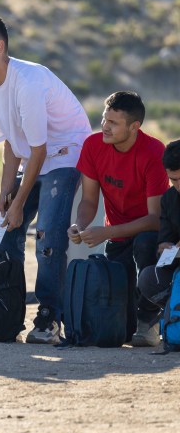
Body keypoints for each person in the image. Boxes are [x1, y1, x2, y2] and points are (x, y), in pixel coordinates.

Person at [0, 15, 90, 345]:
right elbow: (10, 144)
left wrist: (19, 202)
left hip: (65, 154)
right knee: (7, 230)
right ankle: (9, 311)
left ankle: (49, 318)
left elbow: (39, 150)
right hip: (35, 157)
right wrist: (7, 193)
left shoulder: (29, 82)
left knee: (47, 234)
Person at [69, 92, 169, 346]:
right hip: (117, 236)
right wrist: (80, 225)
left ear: (135, 127)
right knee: (121, 333)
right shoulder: (93, 145)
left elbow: (155, 219)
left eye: (113, 123)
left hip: (149, 233)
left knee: (144, 244)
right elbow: (89, 201)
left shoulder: (154, 152)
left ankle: (149, 322)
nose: (105, 127)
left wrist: (106, 233)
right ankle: (134, 323)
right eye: (104, 119)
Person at [138, 139, 180, 325]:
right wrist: (165, 248)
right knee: (148, 278)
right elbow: (164, 242)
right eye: (174, 180)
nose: (179, 185)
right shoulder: (169, 199)